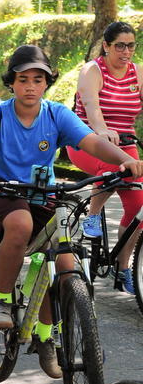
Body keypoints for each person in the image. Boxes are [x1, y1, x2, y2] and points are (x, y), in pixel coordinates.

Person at [0, 44, 143, 377]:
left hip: (42, 192)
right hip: (0, 190)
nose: (30, 86)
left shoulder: (57, 113)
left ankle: (46, 333)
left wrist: (125, 160)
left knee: (63, 258)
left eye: (38, 79)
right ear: (11, 83)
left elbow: (92, 142)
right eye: (23, 79)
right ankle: (2, 299)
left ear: (47, 83)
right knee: (20, 223)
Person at [67, 21, 143, 294]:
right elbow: (92, 109)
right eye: (120, 45)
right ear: (107, 46)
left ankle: (124, 269)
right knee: (114, 164)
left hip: (125, 146)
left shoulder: (138, 72)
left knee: (139, 208)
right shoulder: (92, 70)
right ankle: (93, 215)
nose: (126, 51)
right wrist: (102, 130)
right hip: (86, 142)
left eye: (130, 45)